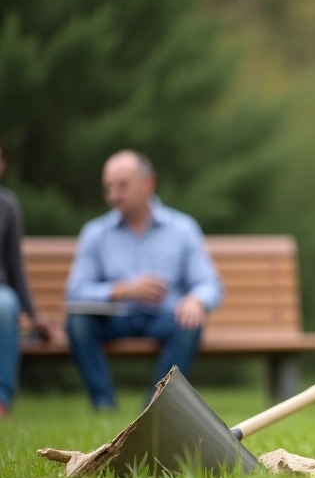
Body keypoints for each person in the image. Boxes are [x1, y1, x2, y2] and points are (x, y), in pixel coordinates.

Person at [65, 150, 223, 410]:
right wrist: (122, 290)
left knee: (191, 322)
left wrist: (196, 300)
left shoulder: (183, 229)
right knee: (78, 322)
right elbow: (75, 292)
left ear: (148, 183)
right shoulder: (95, 233)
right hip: (114, 317)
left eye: (122, 185)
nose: (114, 194)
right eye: (109, 187)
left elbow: (210, 284)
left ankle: (156, 406)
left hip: (165, 317)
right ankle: (103, 404)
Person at [0, 137, 53, 418]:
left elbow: (14, 266)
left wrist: (34, 314)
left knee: (6, 304)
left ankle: (1, 400)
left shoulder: (7, 205)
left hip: (1, 292)